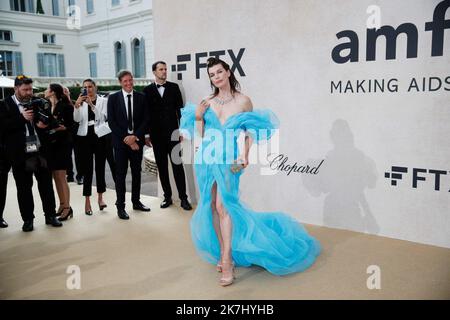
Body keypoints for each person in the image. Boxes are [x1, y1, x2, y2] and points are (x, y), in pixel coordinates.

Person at [180, 58, 321, 286]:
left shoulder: (243, 101)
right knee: (211, 205)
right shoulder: (207, 102)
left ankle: (227, 260)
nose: (216, 77)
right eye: (212, 74)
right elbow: (199, 136)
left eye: (219, 72)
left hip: (229, 159)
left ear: (228, 72)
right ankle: (222, 252)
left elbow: (249, 132)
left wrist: (245, 154)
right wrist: (197, 117)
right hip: (207, 156)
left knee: (223, 205)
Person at [0, 75, 62, 231]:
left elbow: (53, 122)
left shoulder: (38, 102)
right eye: (25, 89)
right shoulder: (5, 105)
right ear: (16, 89)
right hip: (20, 154)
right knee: (24, 188)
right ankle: (28, 220)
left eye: (30, 89)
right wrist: (21, 118)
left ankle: (50, 216)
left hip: (41, 152)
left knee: (46, 185)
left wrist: (45, 124)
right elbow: (2, 127)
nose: (29, 92)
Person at [143, 61, 192, 211]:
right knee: (162, 168)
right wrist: (146, 134)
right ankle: (167, 197)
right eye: (161, 69)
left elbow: (180, 112)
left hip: (173, 134)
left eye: (165, 69)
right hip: (156, 136)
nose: (164, 71)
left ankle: (184, 198)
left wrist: (182, 131)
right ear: (154, 72)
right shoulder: (147, 90)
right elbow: (146, 115)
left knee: (178, 166)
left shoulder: (174, 88)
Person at [107, 70, 150, 220]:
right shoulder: (112, 99)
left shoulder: (141, 97)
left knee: (137, 173)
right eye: (125, 81)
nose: (129, 83)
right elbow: (112, 122)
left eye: (130, 80)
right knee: (120, 175)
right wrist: (127, 139)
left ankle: (136, 202)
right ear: (120, 82)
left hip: (137, 142)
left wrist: (135, 137)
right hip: (120, 143)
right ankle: (120, 206)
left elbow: (146, 120)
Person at [74, 79, 116, 215]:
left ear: (95, 87)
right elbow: (77, 119)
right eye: (85, 87)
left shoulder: (104, 101)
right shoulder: (80, 101)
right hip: (85, 137)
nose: (88, 89)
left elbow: (103, 117)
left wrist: (91, 105)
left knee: (100, 168)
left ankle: (100, 198)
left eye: (90, 87)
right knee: (87, 170)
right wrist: (76, 106)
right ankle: (87, 201)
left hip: (100, 136)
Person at [43, 83, 74, 221]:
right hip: (51, 146)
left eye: (47, 89)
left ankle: (67, 208)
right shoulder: (47, 106)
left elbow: (72, 125)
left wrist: (61, 128)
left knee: (61, 177)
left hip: (62, 145)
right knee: (56, 177)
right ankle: (62, 205)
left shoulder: (66, 106)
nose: (45, 91)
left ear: (53, 92)